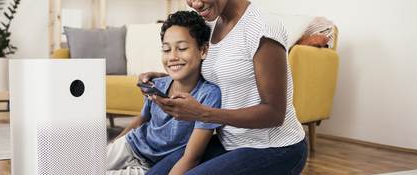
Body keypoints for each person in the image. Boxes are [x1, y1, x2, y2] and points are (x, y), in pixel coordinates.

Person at [141, 0, 308, 174]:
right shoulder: (210, 26)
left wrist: (203, 113)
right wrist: (163, 79)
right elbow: (218, 74)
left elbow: (275, 113)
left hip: (275, 148)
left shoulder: (262, 27)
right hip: (229, 142)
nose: (195, 4)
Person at [106, 11, 222, 175]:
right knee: (76, 167)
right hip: (130, 145)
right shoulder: (157, 84)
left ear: (203, 50)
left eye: (181, 48)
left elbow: (192, 157)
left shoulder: (209, 95)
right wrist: (114, 144)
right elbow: (141, 120)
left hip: (151, 165)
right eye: (166, 50)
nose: (173, 56)